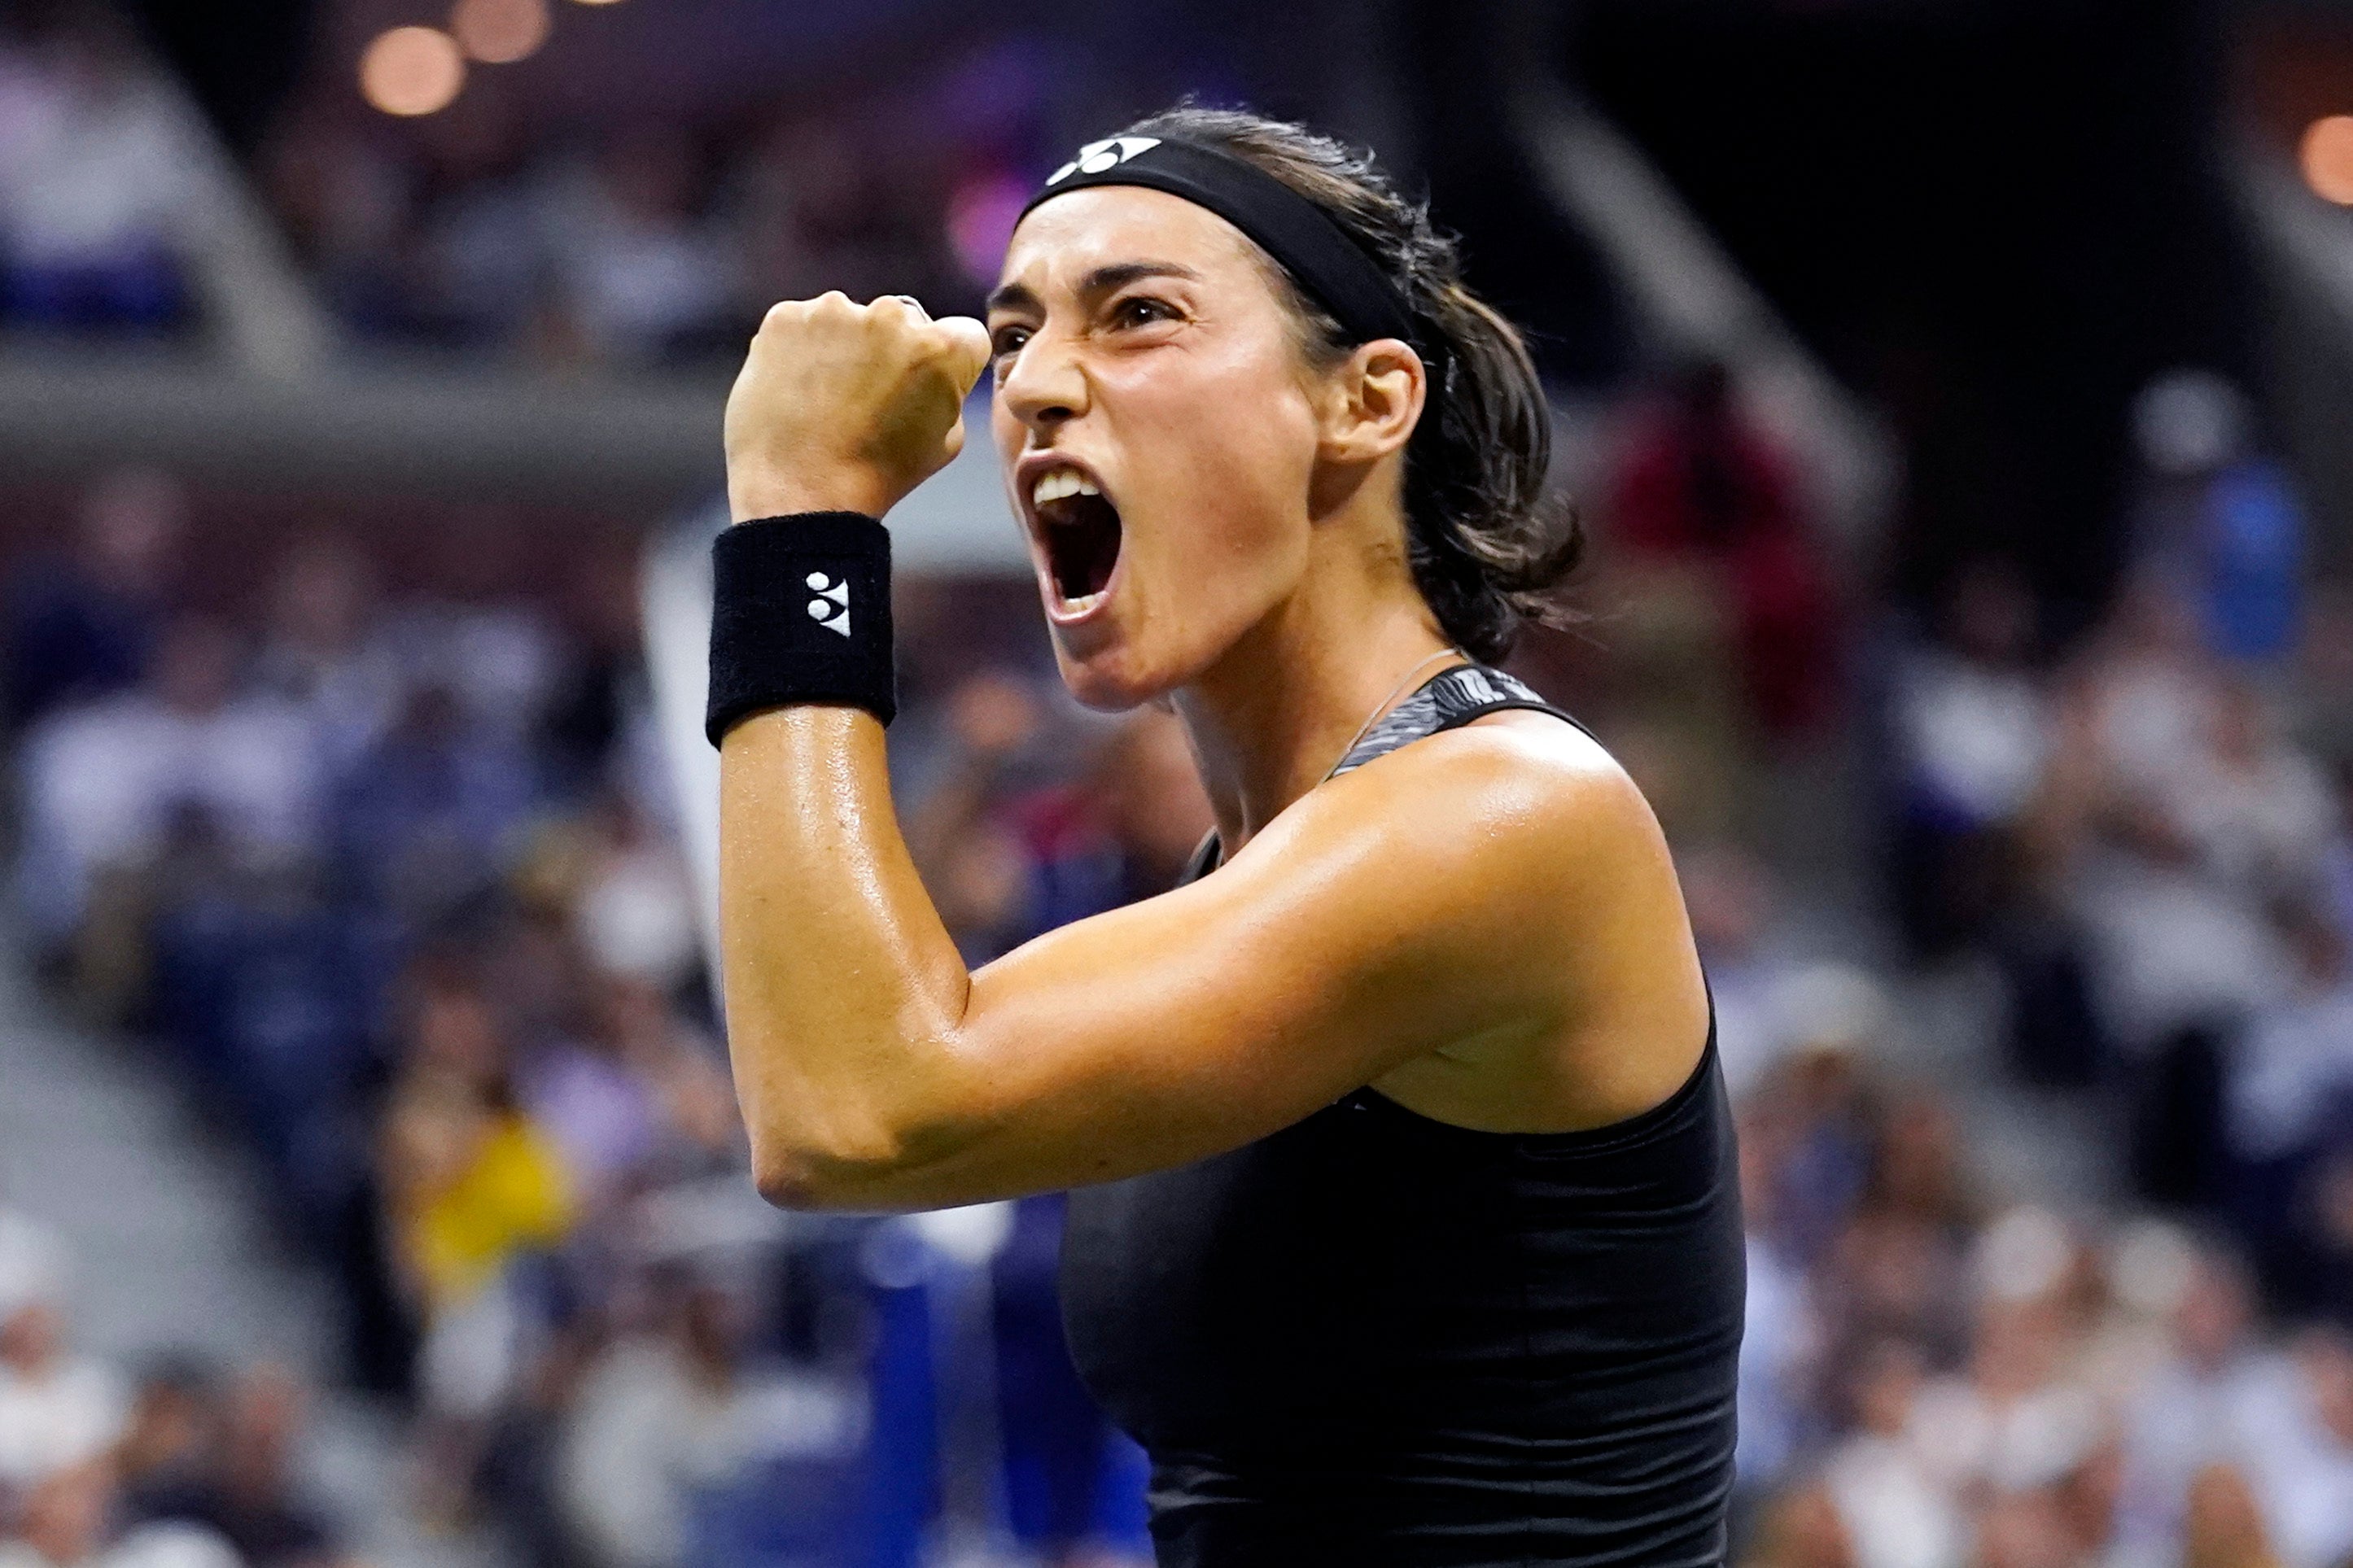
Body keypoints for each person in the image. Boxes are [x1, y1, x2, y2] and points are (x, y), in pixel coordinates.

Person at [706, 107, 1741, 1564]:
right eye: (1014, 340)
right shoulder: (1247, 880)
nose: (1042, 385)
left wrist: (800, 527)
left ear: (1368, 402)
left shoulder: (1510, 815)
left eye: (1137, 316)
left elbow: (852, 1109)